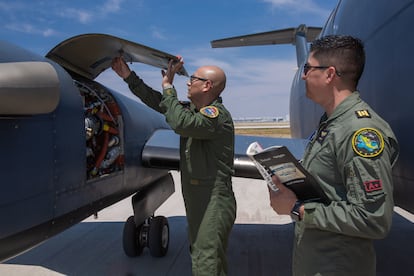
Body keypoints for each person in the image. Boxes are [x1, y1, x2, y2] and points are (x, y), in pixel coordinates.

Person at [268, 35, 399, 275]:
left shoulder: (360, 133)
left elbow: (373, 218)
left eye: (308, 68)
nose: (303, 75)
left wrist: (297, 209)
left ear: (329, 74)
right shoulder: (332, 123)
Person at [111, 56, 237, 276]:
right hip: (199, 199)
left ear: (207, 86)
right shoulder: (195, 111)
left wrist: (169, 87)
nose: (188, 83)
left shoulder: (216, 117)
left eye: (193, 79)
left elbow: (180, 123)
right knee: (201, 254)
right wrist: (129, 77)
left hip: (213, 201)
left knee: (206, 260)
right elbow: (158, 102)